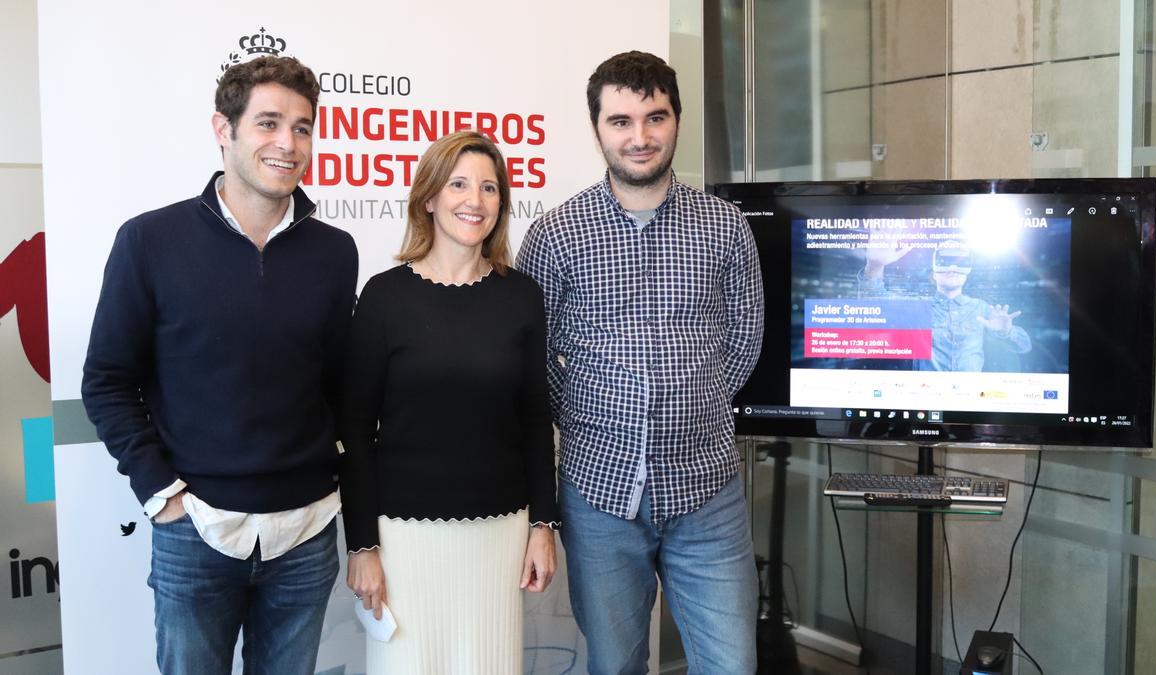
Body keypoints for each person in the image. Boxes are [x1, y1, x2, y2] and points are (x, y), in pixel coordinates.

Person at [81, 56, 358, 674]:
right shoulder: (149, 241)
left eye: (303, 126)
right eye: (267, 123)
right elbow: (106, 381)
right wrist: (163, 494)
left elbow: (340, 382)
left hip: (307, 533)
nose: (288, 143)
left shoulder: (336, 253)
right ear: (222, 129)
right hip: (195, 530)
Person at [516, 51, 764, 674]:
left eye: (655, 118)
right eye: (620, 121)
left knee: (732, 665)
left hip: (707, 491)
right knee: (615, 665)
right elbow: (533, 356)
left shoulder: (726, 227)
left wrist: (693, 403)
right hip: (599, 494)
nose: (640, 136)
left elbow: (744, 338)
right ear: (597, 128)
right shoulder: (556, 234)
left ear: (677, 120)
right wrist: (589, 416)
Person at [339, 130, 559, 675]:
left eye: (489, 187)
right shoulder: (385, 296)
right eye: (459, 184)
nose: (475, 200)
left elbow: (535, 421)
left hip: (500, 534)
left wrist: (543, 527)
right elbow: (356, 430)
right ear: (429, 198)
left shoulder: (522, 297)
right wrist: (361, 545)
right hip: (403, 541)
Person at [860, 243, 1031, 371]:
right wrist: (874, 266)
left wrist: (1006, 332)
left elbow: (1024, 346)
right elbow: (874, 302)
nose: (952, 268)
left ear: (966, 274)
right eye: (945, 262)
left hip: (969, 400)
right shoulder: (918, 307)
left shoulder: (981, 309)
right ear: (934, 274)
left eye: (959, 263)